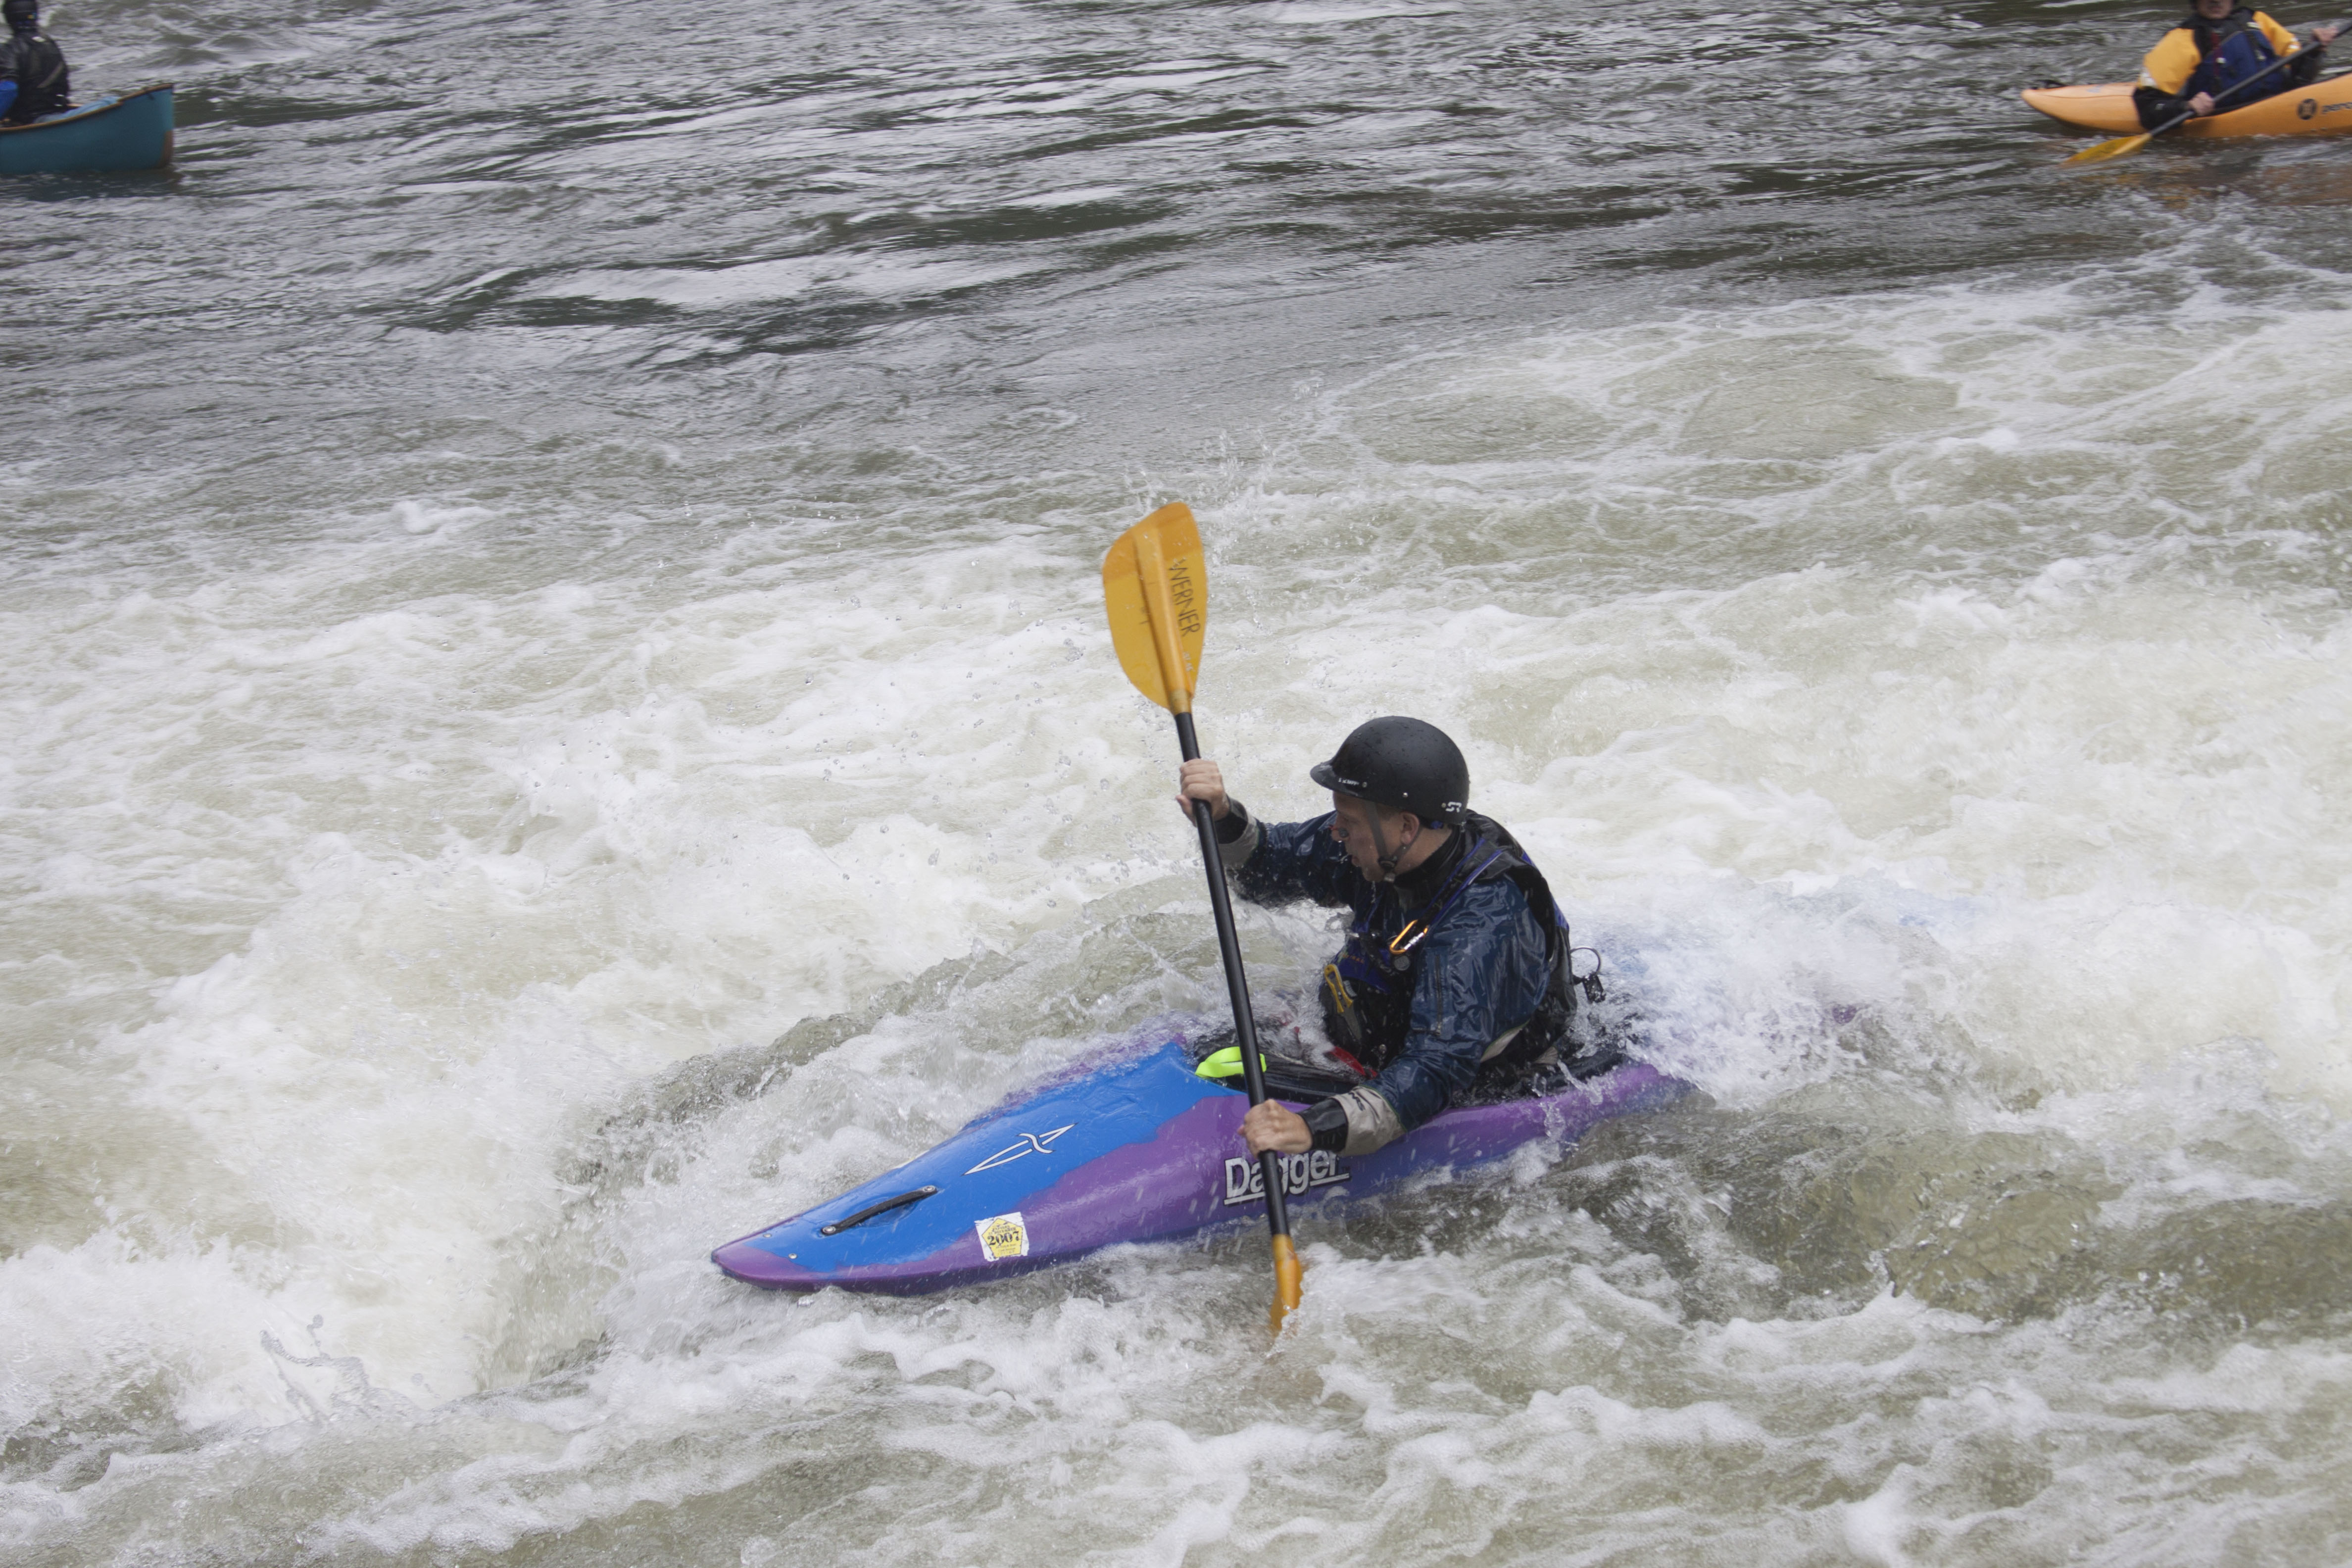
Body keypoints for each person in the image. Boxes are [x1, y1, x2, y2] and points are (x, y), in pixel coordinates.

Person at [1176, 716, 1608, 1162]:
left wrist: (1311, 1129)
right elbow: (1269, 868)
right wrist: (1223, 816)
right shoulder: (1382, 843)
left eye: (1347, 823)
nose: (1336, 833)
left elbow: (1437, 1067)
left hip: (1471, 1072)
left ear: (1406, 827)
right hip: (1385, 1035)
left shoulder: (1479, 926)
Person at [2133, 0, 2338, 130]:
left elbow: (2300, 78)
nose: (2215, 1)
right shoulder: (2182, 39)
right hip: (2228, 116)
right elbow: (2147, 105)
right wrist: (2186, 107)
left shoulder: (2257, 20)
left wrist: (2314, 49)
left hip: (2281, 103)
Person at [0, 0, 70, 125]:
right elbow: (64, 82)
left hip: (30, 121)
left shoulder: (11, 49)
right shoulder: (50, 43)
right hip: (58, 111)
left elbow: (9, 89)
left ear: (9, 18)